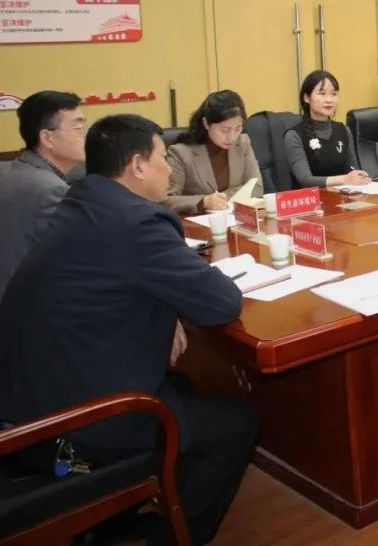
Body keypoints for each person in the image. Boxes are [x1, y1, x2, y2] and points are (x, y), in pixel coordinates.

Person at [0, 114, 256, 545]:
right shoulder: (137, 222)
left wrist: (169, 308)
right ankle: (171, 537)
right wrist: (174, 301)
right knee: (236, 424)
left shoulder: (82, 203)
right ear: (137, 165)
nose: (167, 170)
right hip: (70, 422)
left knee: (185, 387)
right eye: (162, 159)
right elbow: (222, 303)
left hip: (27, 396)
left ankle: (115, 520)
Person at [0, 91, 85, 298]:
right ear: (47, 138)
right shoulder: (51, 191)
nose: (85, 135)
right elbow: (76, 261)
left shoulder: (11, 171)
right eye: (78, 128)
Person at [165, 90, 262, 214]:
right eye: (225, 130)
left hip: (234, 219)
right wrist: (203, 201)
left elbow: (256, 187)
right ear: (206, 123)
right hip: (196, 222)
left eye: (238, 129)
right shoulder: (180, 153)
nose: (232, 137)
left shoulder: (242, 143)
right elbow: (167, 200)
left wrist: (221, 198)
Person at [286, 70, 371, 188]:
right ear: (306, 98)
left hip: (343, 195)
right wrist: (345, 179)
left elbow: (352, 169)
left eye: (333, 94)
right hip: (311, 197)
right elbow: (305, 180)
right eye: (322, 93)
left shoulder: (343, 130)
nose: (329, 100)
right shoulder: (294, 136)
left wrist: (359, 178)